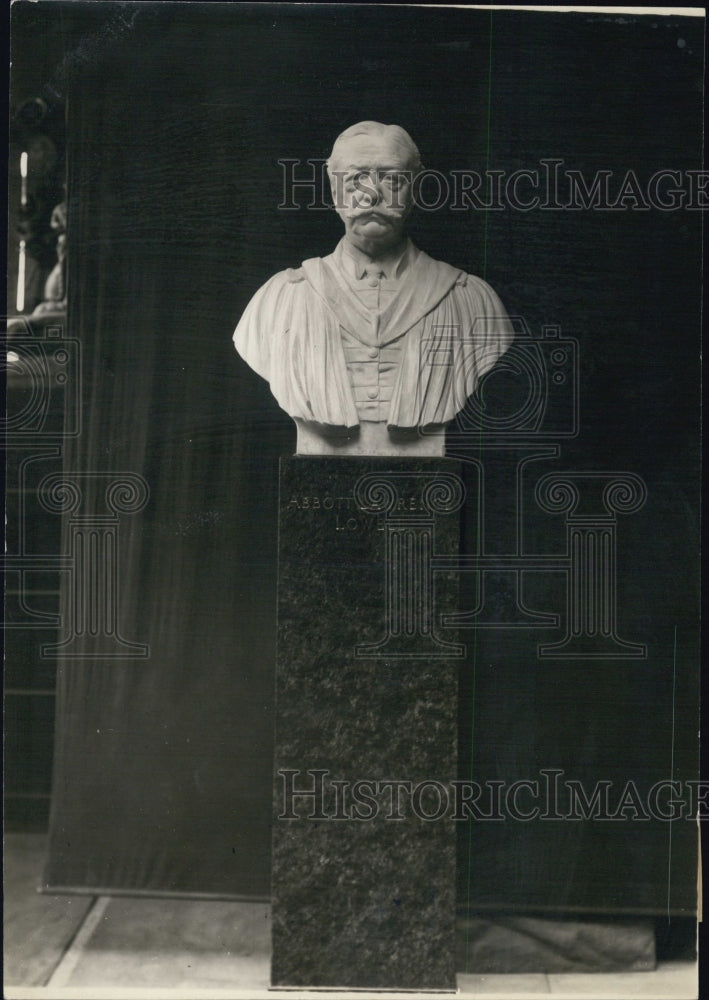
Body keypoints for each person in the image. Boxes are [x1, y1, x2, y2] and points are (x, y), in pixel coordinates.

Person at [233, 121, 513, 455]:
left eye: (392, 179)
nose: (372, 194)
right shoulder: (281, 299)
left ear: (415, 189)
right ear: (334, 191)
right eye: (355, 179)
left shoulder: (470, 300)